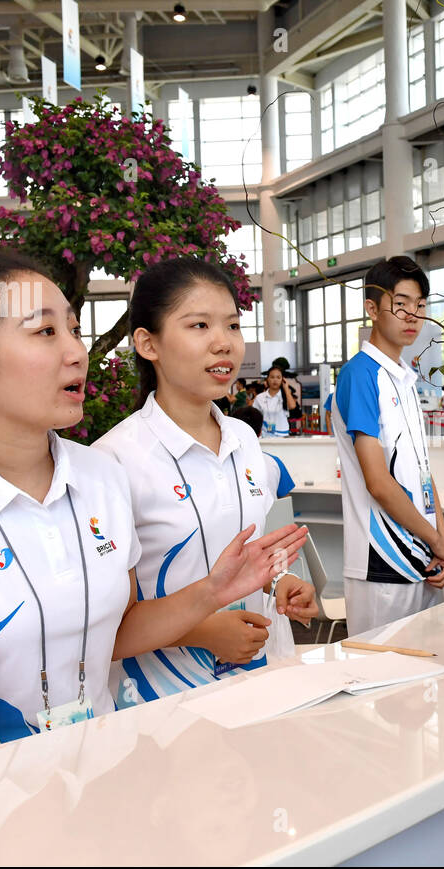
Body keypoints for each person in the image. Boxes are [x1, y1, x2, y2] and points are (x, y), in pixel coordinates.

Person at [0, 252, 306, 772]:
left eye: (73, 328)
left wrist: (213, 592)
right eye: (45, 333)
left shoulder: (100, 477)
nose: (76, 352)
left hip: (95, 776)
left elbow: (116, 633)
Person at [94, 258, 317, 705]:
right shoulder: (113, 461)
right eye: (199, 325)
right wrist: (203, 631)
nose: (224, 343)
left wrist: (282, 581)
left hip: (264, 678)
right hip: (166, 697)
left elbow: (249, 555)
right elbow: (106, 626)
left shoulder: (244, 440)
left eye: (233, 326)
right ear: (147, 343)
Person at [325, 255, 444, 636]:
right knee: (380, 683)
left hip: (424, 560)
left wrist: (442, 543)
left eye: (419, 305)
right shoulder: (360, 376)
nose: (412, 315)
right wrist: (437, 540)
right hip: (382, 563)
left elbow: (421, 472)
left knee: (426, 684)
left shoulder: (404, 379)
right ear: (372, 308)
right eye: (400, 304)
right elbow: (378, 482)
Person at [230, 405, 297, 499]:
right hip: (272, 514)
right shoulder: (274, 462)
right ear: (260, 432)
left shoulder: (221, 463)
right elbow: (285, 502)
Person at [253, 364, 296, 437]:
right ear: (267, 379)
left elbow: (292, 406)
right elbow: (255, 417)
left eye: (278, 377)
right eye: (272, 377)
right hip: (264, 435)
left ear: (282, 380)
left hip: (283, 435)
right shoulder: (260, 397)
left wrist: (286, 389)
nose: (275, 380)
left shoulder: (286, 396)